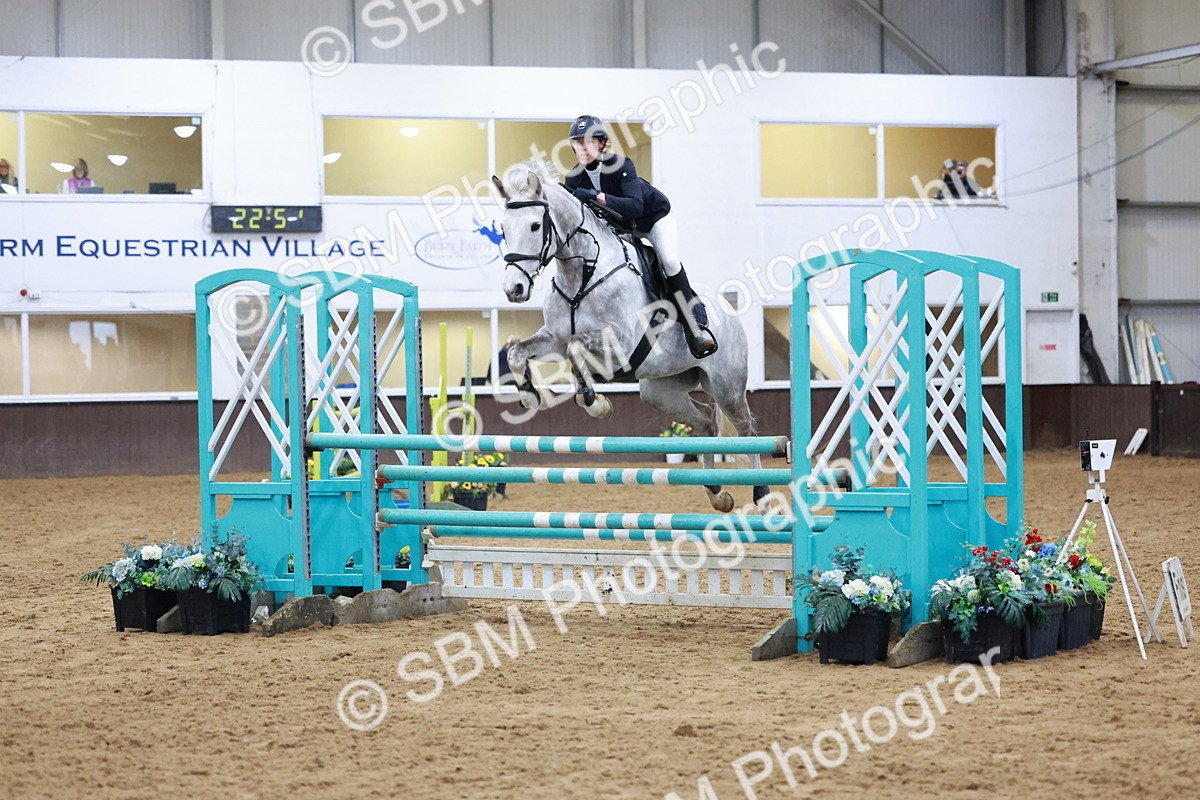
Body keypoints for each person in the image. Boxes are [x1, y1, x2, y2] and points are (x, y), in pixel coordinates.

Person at [563, 115, 717, 359]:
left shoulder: (621, 165)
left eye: (589, 141)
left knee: (668, 261)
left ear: (602, 143)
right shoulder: (573, 178)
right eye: (578, 142)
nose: (583, 147)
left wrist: (595, 195)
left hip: (653, 218)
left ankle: (695, 327)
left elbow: (635, 206)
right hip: (622, 228)